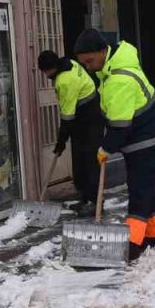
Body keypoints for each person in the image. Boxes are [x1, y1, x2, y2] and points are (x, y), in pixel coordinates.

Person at [72, 29, 155, 261]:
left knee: (139, 189)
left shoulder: (119, 79)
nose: (87, 67)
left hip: (146, 138)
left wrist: (105, 148)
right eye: (83, 63)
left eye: (90, 61)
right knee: (144, 186)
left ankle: (133, 243)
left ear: (103, 51)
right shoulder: (112, 68)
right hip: (142, 135)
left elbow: (119, 126)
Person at [37, 49, 103, 213]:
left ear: (50, 68)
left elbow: (67, 116)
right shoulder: (70, 63)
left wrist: (61, 141)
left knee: (90, 161)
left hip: (91, 118)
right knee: (81, 160)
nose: (46, 75)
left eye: (46, 72)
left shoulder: (65, 81)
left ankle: (95, 203)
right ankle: (85, 198)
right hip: (84, 115)